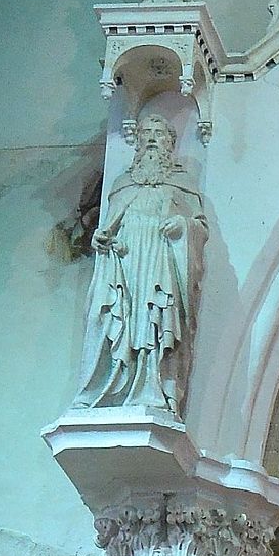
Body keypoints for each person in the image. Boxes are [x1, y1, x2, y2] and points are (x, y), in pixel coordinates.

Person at [76, 113, 209, 415]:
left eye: (159, 134)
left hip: (160, 263)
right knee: (112, 315)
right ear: (136, 142)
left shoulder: (182, 184)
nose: (151, 138)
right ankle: (109, 387)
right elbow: (109, 226)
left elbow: (200, 227)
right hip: (125, 264)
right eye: (146, 133)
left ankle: (154, 387)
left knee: (155, 320)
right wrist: (101, 239)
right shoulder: (122, 184)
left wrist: (183, 226)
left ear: (170, 143)